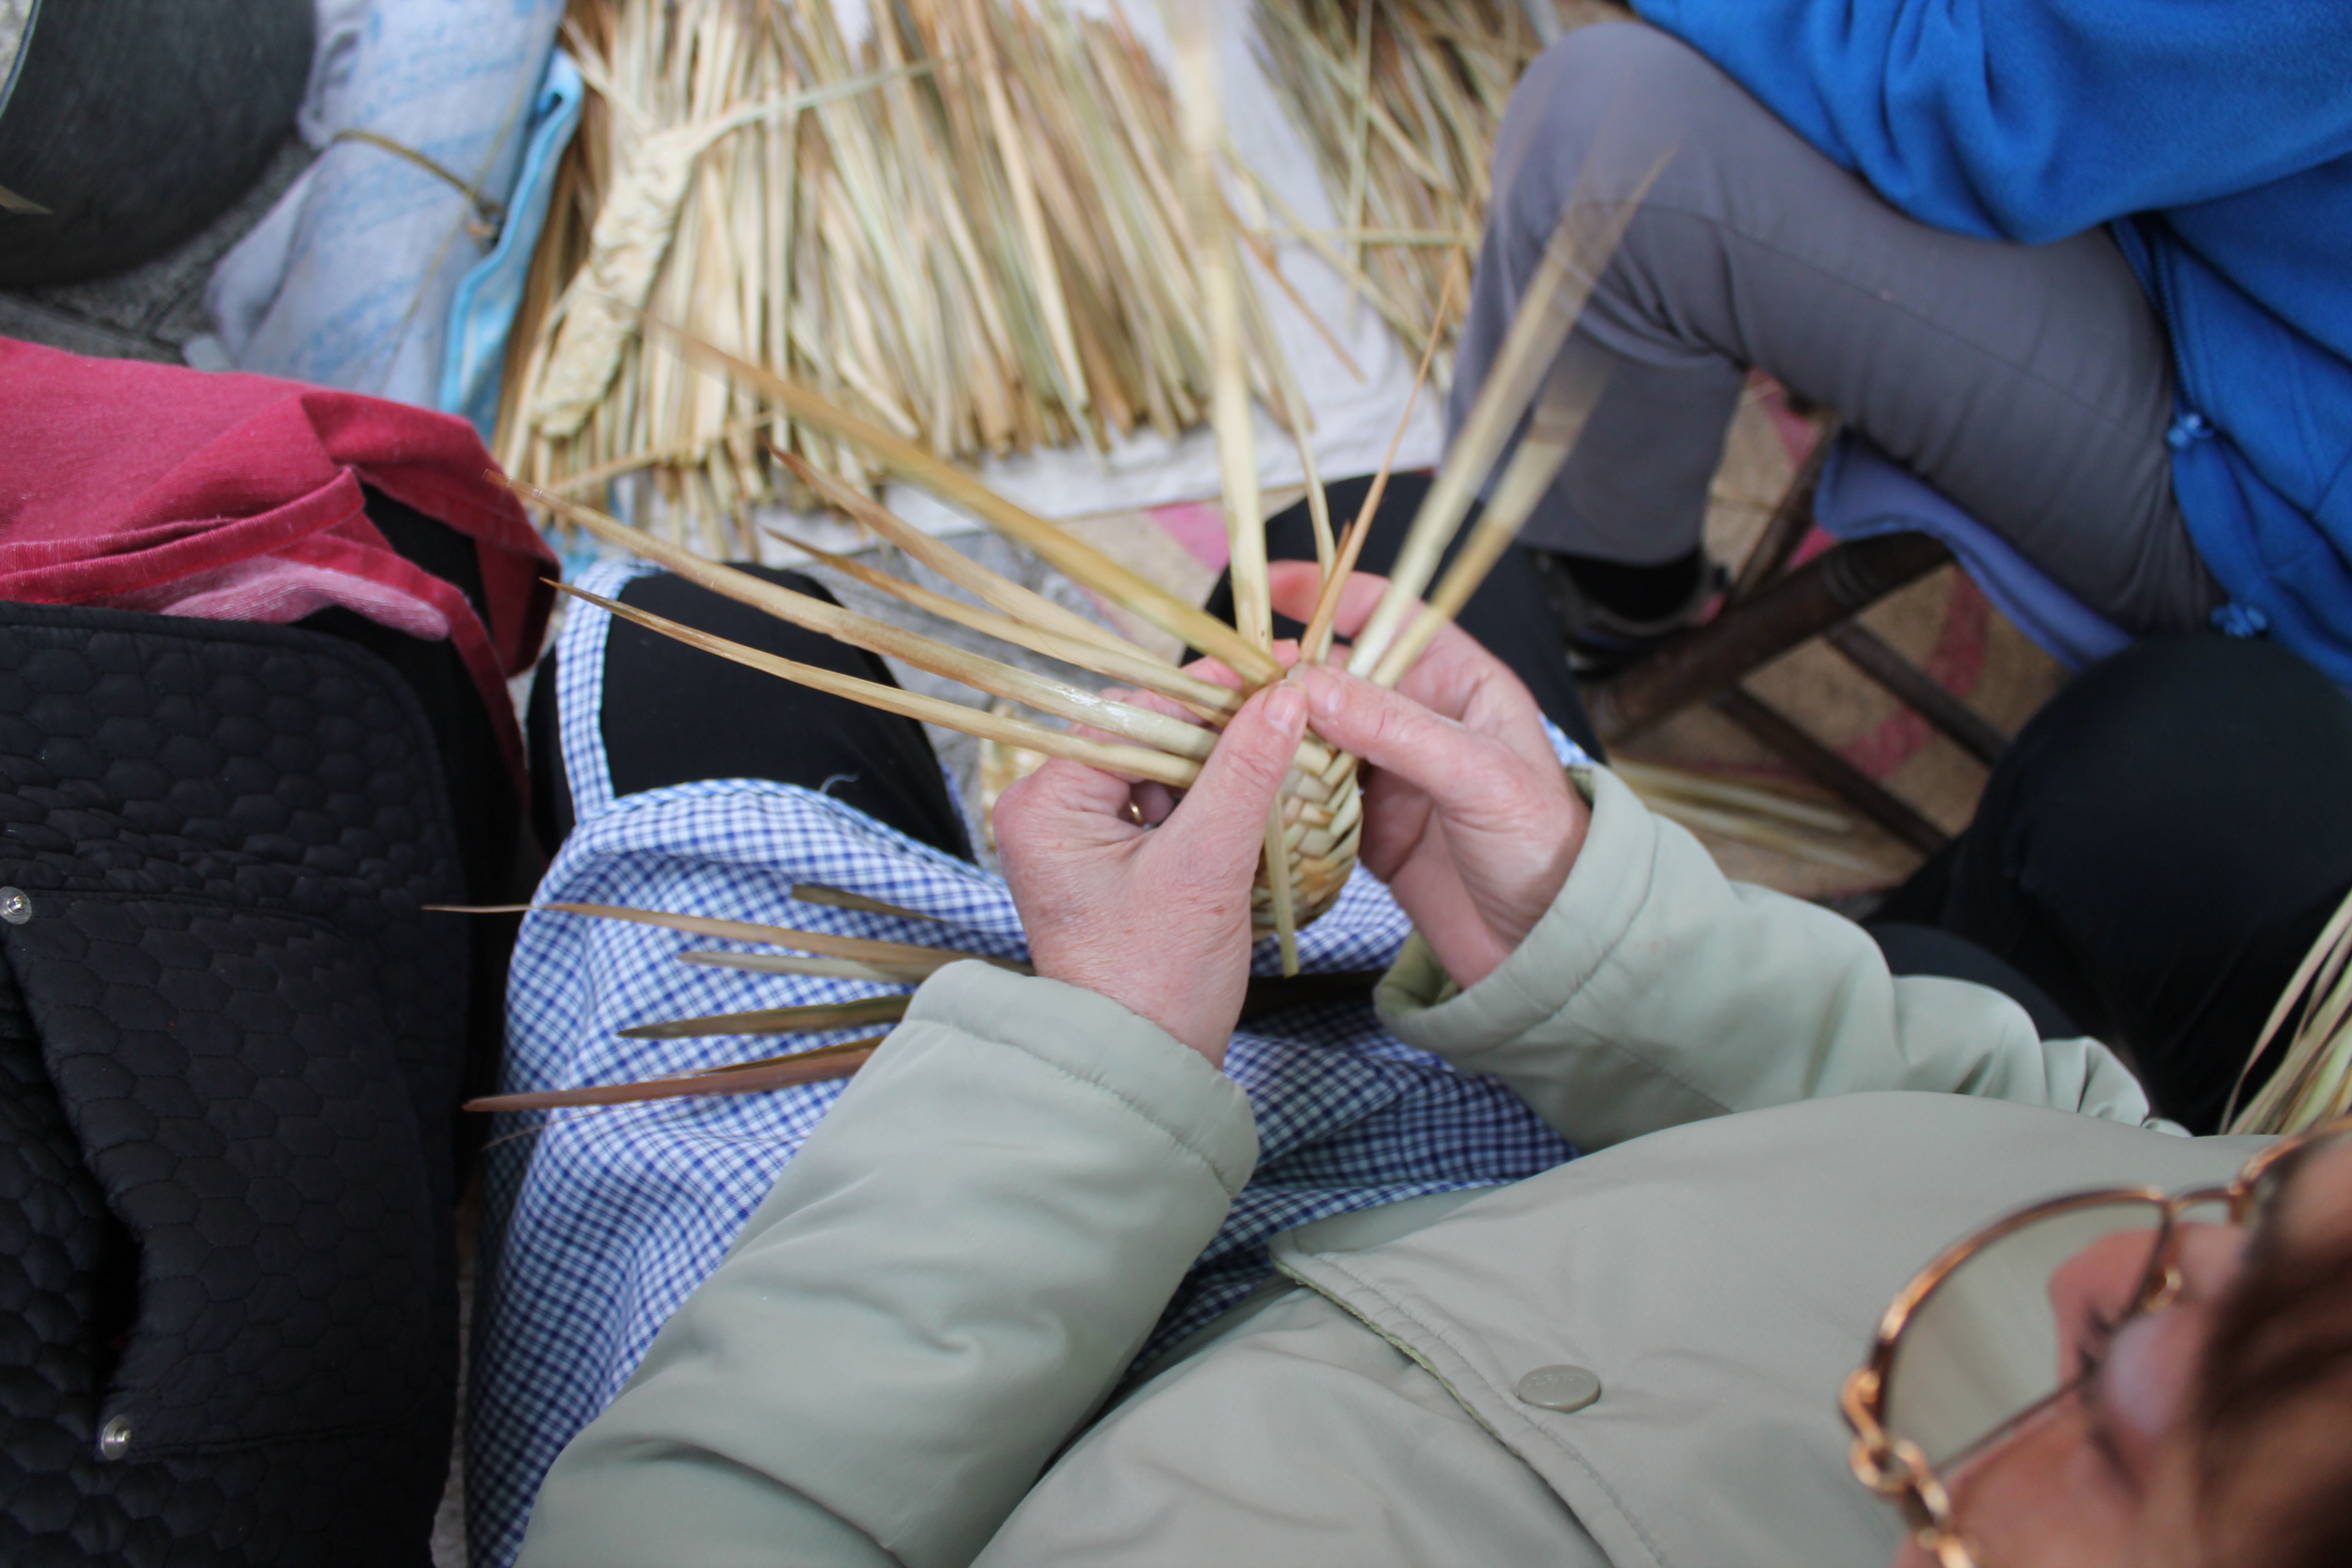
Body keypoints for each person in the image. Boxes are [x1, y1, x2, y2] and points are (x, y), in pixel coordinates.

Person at [503, 534, 2352, 1566]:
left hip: (902, 1363)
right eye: (2254, 1208)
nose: (2108, 1250)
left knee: (669, 637)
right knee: (1354, 544)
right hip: (1460, 1177)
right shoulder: (2206, 1280)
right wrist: (1597, 940)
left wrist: (1089, 1058)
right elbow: (2048, 1137)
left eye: (2118, 1390)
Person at [1455, 15, 2352, 674]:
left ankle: (1612, 604)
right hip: (2207, 237)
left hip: (2279, 487)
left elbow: (1989, 104)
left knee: (1614, 145)